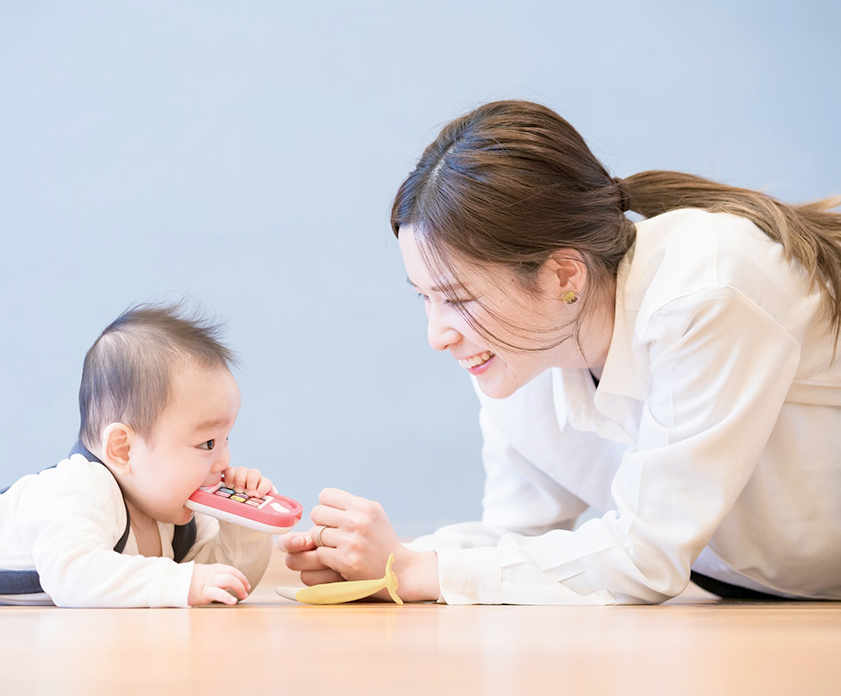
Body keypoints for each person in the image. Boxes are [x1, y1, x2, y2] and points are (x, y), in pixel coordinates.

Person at [282, 99, 841, 605]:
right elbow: (518, 537)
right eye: (425, 300)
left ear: (563, 275)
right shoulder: (523, 354)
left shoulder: (706, 288)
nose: (438, 335)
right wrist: (383, 564)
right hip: (765, 600)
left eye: (457, 299)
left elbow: (644, 559)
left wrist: (417, 571)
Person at [0, 303, 273, 607]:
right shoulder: (82, 490)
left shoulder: (172, 508)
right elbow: (75, 578)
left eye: (227, 440)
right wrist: (180, 583)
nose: (223, 463)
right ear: (123, 449)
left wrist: (245, 530)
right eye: (207, 444)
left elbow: (221, 583)